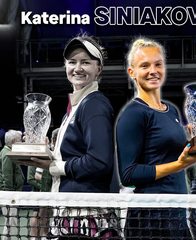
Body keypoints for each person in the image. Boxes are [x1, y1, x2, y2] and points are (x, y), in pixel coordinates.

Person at [18, 33, 119, 239]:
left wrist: (56, 166)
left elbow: (100, 162)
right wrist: (47, 152)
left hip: (85, 215)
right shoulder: (73, 108)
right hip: (68, 213)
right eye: (72, 62)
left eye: (86, 62)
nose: (77, 68)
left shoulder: (94, 105)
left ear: (98, 69)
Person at [116, 38, 196, 239]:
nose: (153, 71)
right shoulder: (133, 113)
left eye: (158, 64)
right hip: (150, 219)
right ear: (132, 73)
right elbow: (128, 174)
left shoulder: (172, 111)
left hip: (177, 213)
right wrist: (179, 165)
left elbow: (165, 153)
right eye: (144, 66)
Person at [0, 130, 23, 240]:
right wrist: (10, 195)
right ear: (14, 141)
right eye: (20, 141)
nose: (22, 143)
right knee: (10, 222)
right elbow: (7, 176)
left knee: (10, 222)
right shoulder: (7, 154)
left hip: (11, 194)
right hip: (9, 195)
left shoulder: (8, 152)